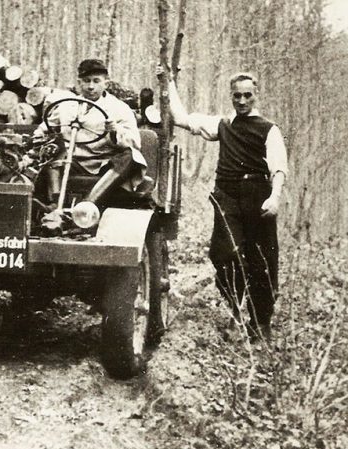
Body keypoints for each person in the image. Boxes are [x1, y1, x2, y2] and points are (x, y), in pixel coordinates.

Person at [160, 68, 288, 341]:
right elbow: (181, 118)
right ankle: (233, 308)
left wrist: (274, 197)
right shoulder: (223, 125)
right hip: (227, 195)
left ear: (256, 96)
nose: (242, 101)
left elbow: (278, 168)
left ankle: (260, 323)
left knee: (261, 260)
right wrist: (168, 81)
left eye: (247, 96)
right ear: (231, 96)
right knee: (225, 254)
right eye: (237, 96)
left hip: (258, 196)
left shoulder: (269, 129)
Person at [33, 59, 148, 217]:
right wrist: (39, 135)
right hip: (73, 161)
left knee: (131, 156)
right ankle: (54, 202)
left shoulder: (119, 108)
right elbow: (46, 127)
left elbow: (134, 142)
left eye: (96, 81)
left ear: (106, 83)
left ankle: (87, 206)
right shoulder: (66, 106)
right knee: (51, 149)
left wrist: (115, 131)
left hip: (105, 162)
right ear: (79, 83)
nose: (91, 86)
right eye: (86, 81)